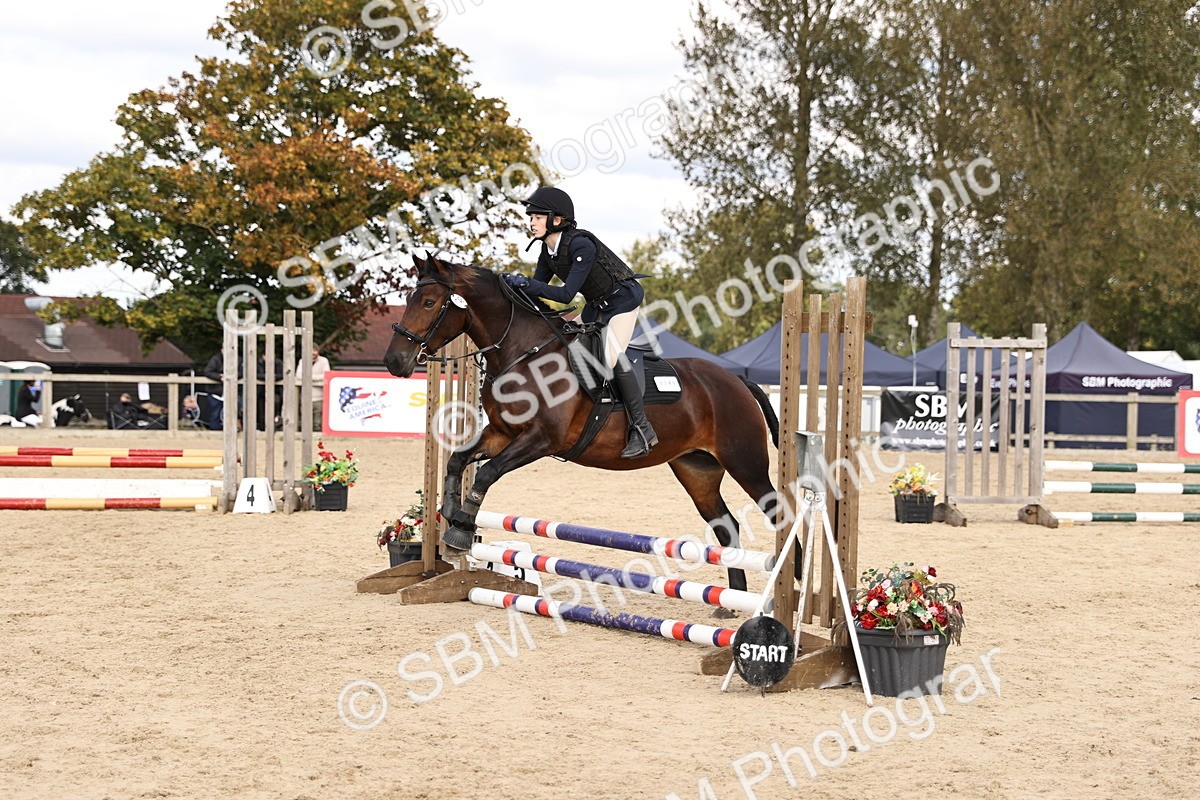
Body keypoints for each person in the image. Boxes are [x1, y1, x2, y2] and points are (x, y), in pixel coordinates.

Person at [504, 186, 657, 458]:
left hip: (623, 299)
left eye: (538, 217)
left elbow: (565, 295)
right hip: (597, 305)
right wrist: (510, 288)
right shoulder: (547, 251)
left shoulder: (580, 244)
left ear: (557, 220)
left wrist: (528, 284)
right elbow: (537, 288)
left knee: (610, 356)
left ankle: (642, 429)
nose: (531, 222)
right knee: (571, 346)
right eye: (531, 217)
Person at [296, 347, 331, 431]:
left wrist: (310, 377)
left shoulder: (324, 361)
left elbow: (326, 374)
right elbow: (299, 375)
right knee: (305, 420)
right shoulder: (302, 360)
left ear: (318, 351)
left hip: (319, 396)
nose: (313, 353)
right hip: (306, 396)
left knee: (317, 422)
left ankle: (317, 440)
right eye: (311, 350)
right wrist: (315, 377)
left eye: (315, 350)